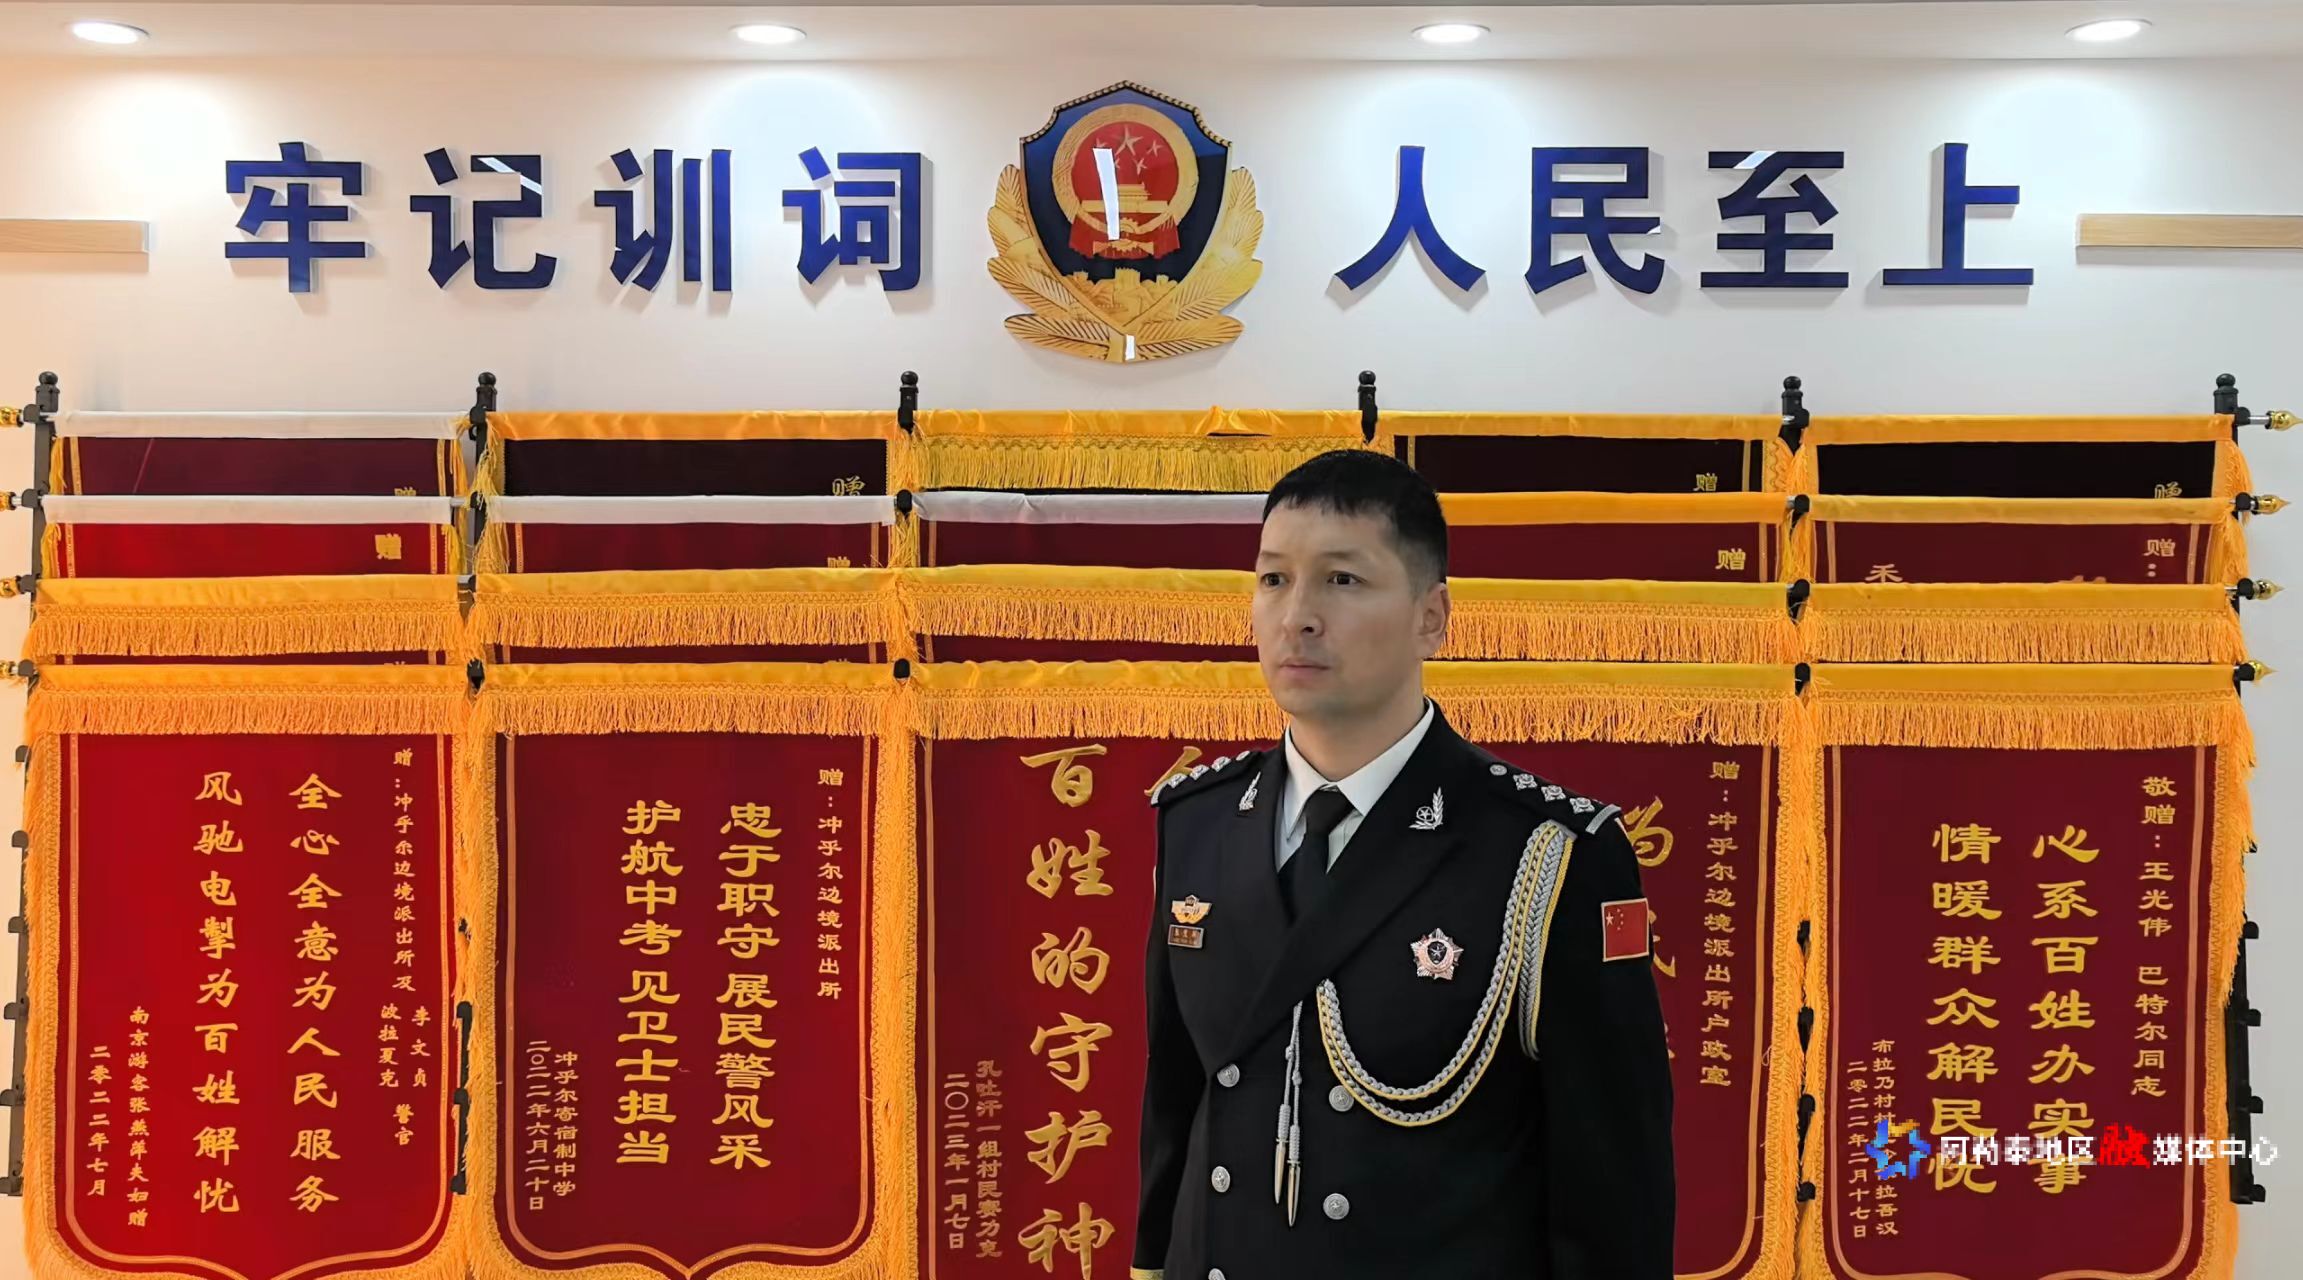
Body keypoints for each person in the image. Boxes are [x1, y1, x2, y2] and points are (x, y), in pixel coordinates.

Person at [1133, 449, 1674, 1279]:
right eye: (1273, 579)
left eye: (1341, 580)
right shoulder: (1196, 823)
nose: (1297, 617)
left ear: (1431, 617)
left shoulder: (1543, 853)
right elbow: (1175, 1107)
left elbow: (1613, 1188)